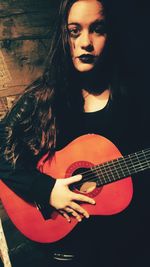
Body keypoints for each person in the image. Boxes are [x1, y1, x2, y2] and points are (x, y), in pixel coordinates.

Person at [0, 0, 150, 266]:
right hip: (66, 248)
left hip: (124, 246)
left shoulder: (134, 96)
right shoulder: (42, 97)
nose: (86, 43)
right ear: (63, 36)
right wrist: (46, 190)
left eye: (98, 29)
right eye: (74, 31)